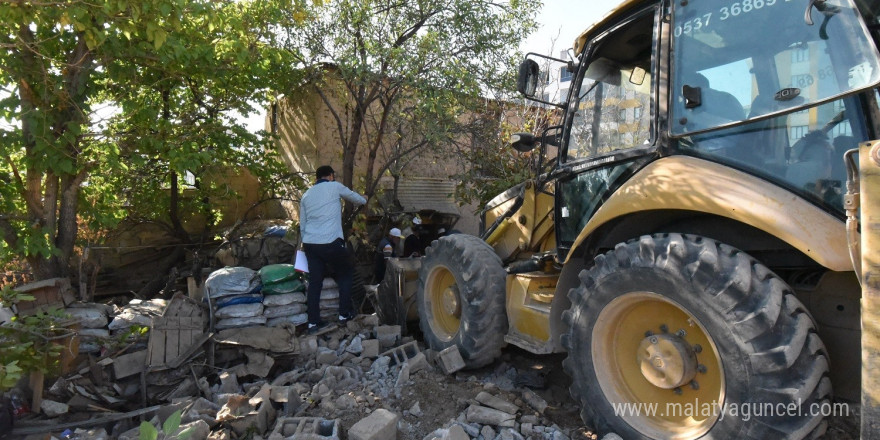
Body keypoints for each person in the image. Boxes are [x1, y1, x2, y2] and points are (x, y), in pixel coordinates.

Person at [299, 165, 366, 335]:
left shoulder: (306, 195)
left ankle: (313, 323)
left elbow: (303, 225)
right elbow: (356, 199)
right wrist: (364, 199)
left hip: (311, 244)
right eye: (333, 176)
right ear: (330, 176)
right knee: (345, 273)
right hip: (330, 242)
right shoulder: (335, 186)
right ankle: (344, 315)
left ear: (317, 178)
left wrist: (306, 243)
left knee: (315, 282)